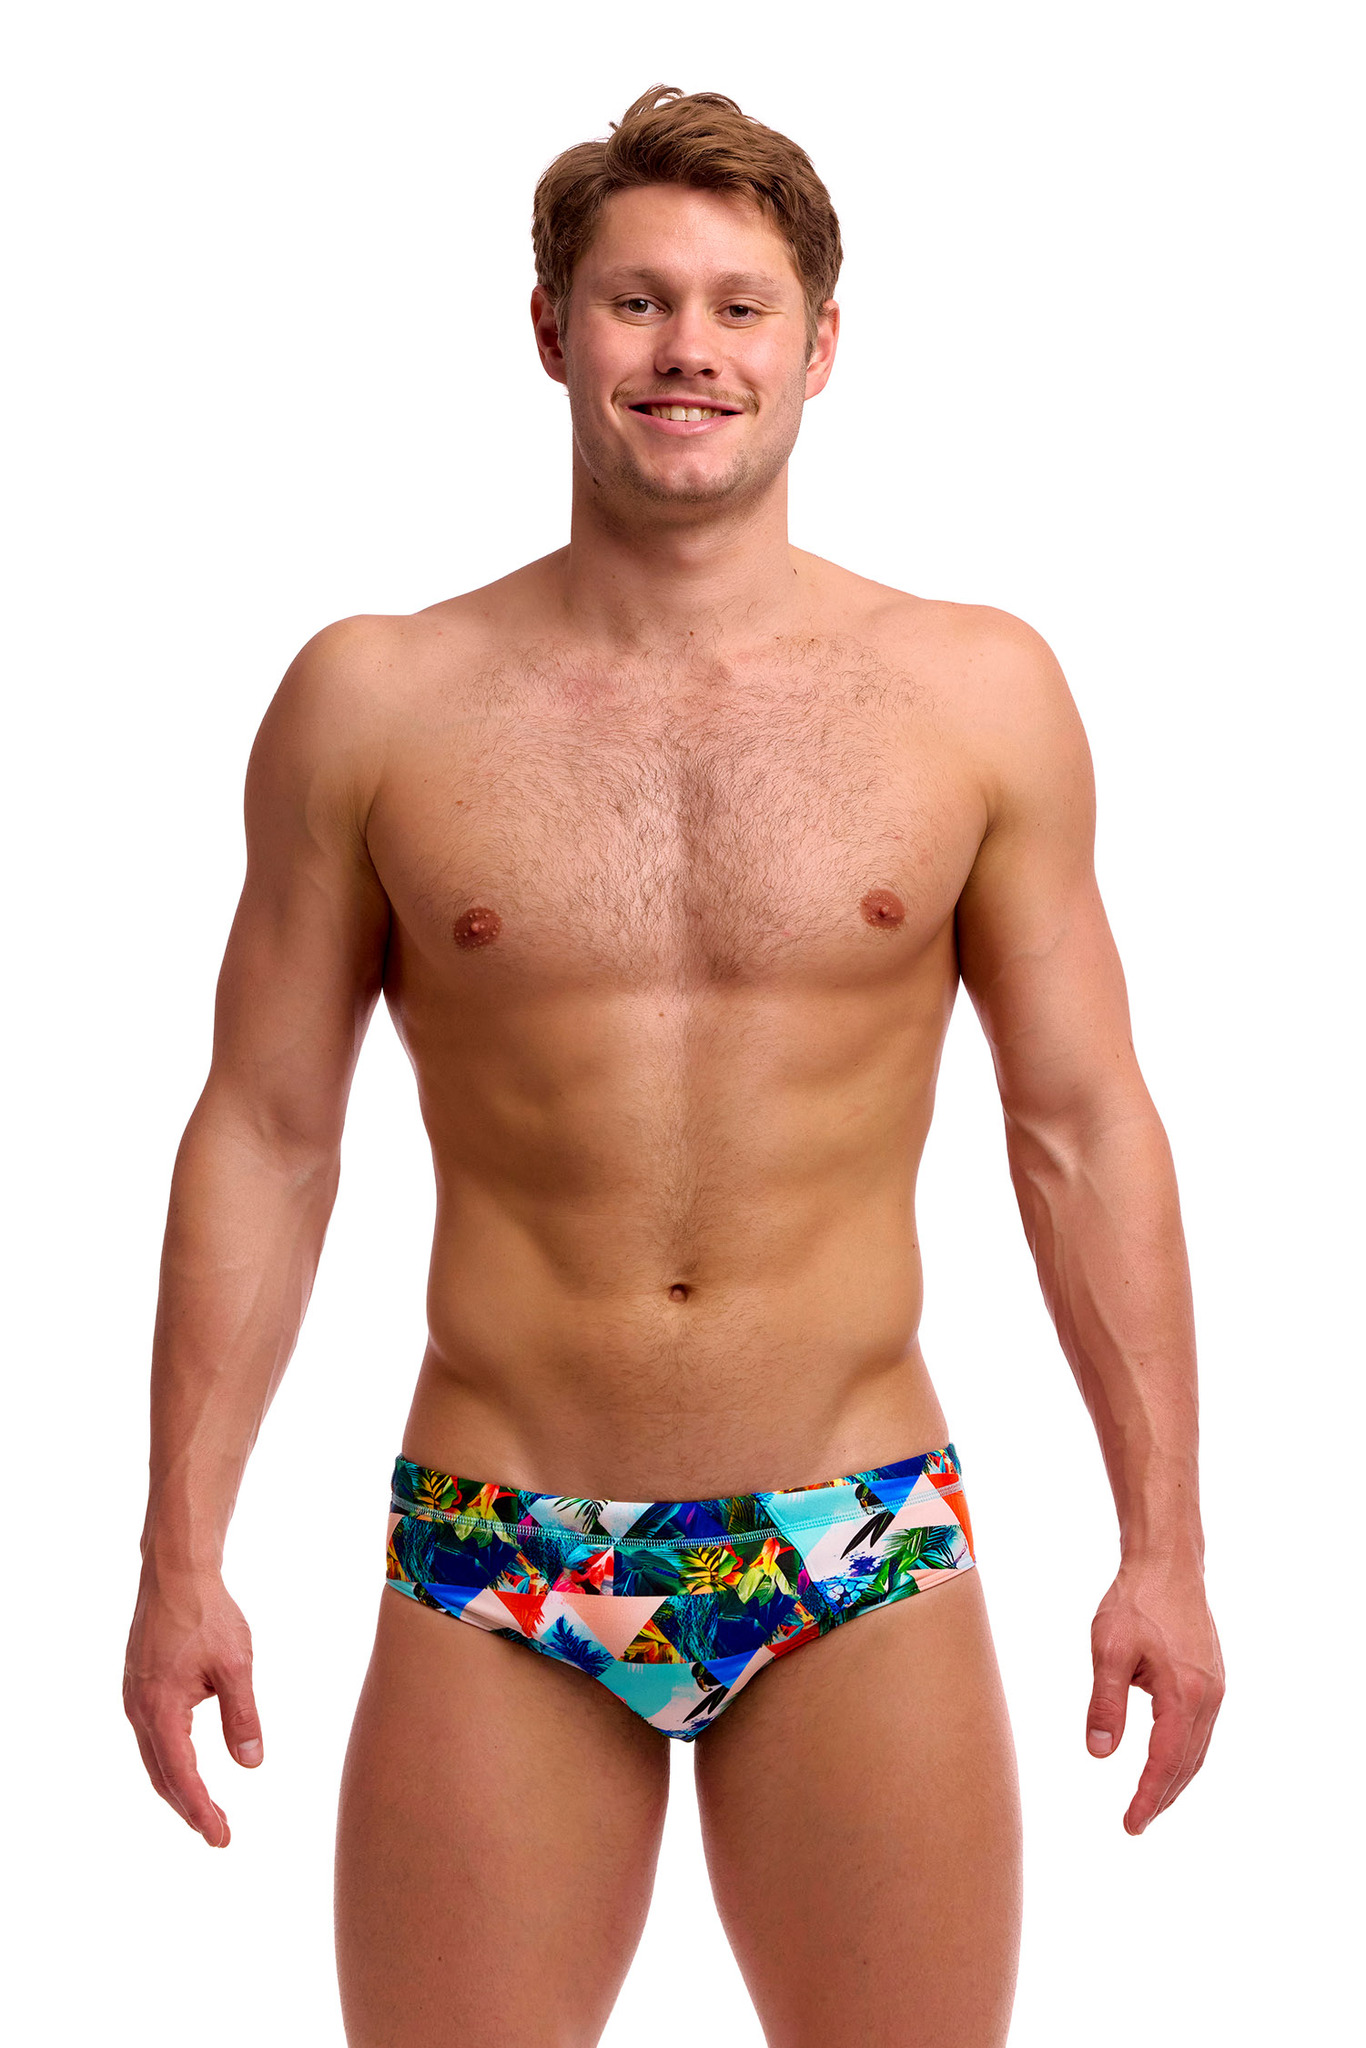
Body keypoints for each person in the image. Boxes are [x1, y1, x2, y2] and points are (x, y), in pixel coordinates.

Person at [123, 85, 1224, 2048]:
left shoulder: (973, 693)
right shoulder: (376, 700)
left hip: (851, 1536)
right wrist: (176, 1553)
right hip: (504, 1541)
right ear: (551, 329)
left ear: (819, 345)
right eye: (636, 301)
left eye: (736, 305)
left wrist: (1165, 1545)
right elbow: (269, 1134)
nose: (686, 349)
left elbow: (1076, 1125)